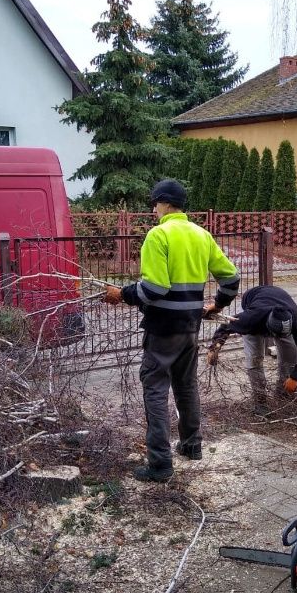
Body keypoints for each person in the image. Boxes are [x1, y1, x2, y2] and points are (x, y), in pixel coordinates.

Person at [103, 179, 239, 482]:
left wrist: (122, 295)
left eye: (155, 204)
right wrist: (217, 305)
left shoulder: (158, 235)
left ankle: (160, 464)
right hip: (190, 327)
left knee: (155, 390)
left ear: (164, 204)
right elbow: (231, 278)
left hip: (162, 329)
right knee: (186, 386)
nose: (153, 210)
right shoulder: (202, 235)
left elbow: (153, 288)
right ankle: (191, 446)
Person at [206, 285, 297, 415]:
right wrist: (215, 347)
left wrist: (295, 377)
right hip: (253, 302)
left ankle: (283, 394)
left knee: (291, 354)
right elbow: (225, 326)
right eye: (275, 335)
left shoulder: (296, 320)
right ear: (268, 326)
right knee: (254, 358)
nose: (276, 339)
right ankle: (260, 402)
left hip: (279, 298)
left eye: (281, 335)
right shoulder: (250, 319)